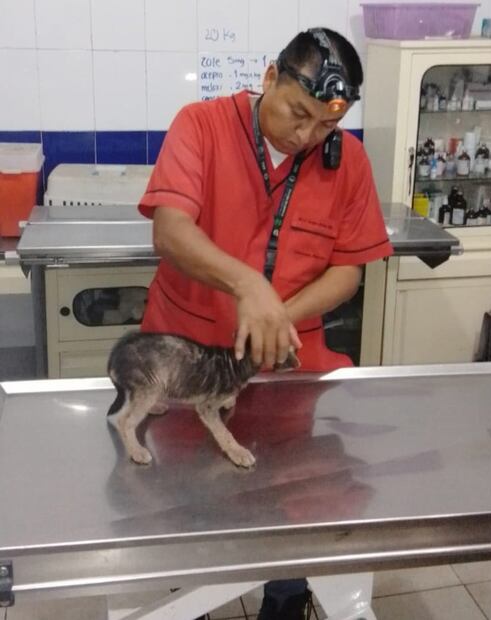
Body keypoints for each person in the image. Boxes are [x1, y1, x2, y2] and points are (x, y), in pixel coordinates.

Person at [137, 27, 392, 620]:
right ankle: (187, 600)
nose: (305, 136)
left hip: (285, 367)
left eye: (324, 125)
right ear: (270, 77)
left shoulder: (347, 160)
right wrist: (249, 287)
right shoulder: (200, 125)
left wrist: (275, 314)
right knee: (181, 497)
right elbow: (171, 230)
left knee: (293, 496)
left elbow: (347, 272)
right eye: (297, 115)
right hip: (184, 357)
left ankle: (284, 601)